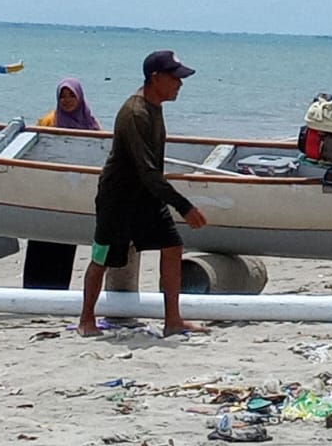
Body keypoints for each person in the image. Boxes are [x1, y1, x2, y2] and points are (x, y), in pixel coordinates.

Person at [78, 51, 208, 337]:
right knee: (102, 256)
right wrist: (184, 206)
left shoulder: (155, 107)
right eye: (175, 78)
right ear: (156, 78)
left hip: (147, 195)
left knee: (172, 247)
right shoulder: (135, 113)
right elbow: (147, 170)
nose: (179, 84)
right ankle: (86, 319)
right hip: (119, 198)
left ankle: (173, 320)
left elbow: (150, 175)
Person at [23, 78, 100, 289]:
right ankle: (31, 294)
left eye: (71, 95)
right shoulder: (49, 121)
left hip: (72, 198)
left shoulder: (90, 125)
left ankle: (58, 294)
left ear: (80, 97)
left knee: (64, 246)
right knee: (40, 245)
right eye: (62, 96)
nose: (66, 100)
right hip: (47, 196)